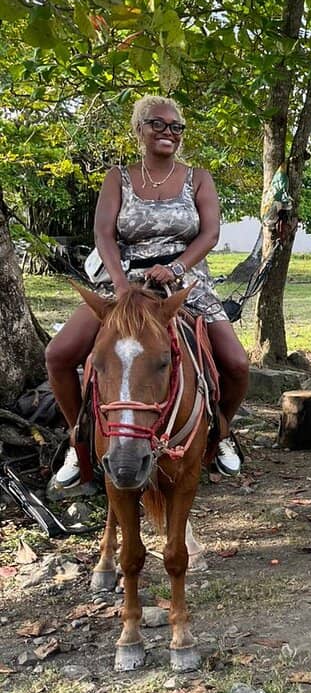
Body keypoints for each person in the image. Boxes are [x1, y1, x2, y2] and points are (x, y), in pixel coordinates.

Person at [46, 95, 250, 484]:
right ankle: (80, 437)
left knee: (237, 364)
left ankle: (221, 431)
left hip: (184, 278)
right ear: (139, 128)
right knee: (59, 354)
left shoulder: (198, 178)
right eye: (158, 124)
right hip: (121, 279)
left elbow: (210, 234)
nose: (168, 132)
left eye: (176, 127)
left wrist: (175, 267)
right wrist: (121, 285)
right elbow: (103, 233)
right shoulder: (117, 177)